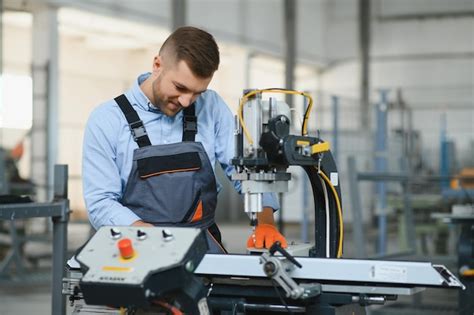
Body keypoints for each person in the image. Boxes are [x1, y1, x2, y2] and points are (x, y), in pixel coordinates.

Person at [82, 26, 287, 253]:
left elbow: (246, 172)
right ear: (157, 65)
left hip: (201, 247)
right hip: (135, 247)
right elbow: (101, 202)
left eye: (198, 92)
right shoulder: (107, 119)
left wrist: (265, 222)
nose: (187, 101)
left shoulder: (211, 107)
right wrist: (150, 237)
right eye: (180, 87)